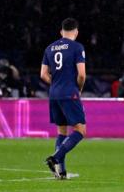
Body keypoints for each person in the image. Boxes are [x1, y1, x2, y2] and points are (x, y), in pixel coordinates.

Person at [40, 18, 87, 179]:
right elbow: (81, 74)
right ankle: (55, 158)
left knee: (61, 131)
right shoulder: (77, 47)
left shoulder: (49, 48)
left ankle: (62, 172)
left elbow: (43, 74)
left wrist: (57, 83)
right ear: (76, 32)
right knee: (80, 130)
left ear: (61, 31)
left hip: (54, 94)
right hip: (70, 93)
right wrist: (78, 88)